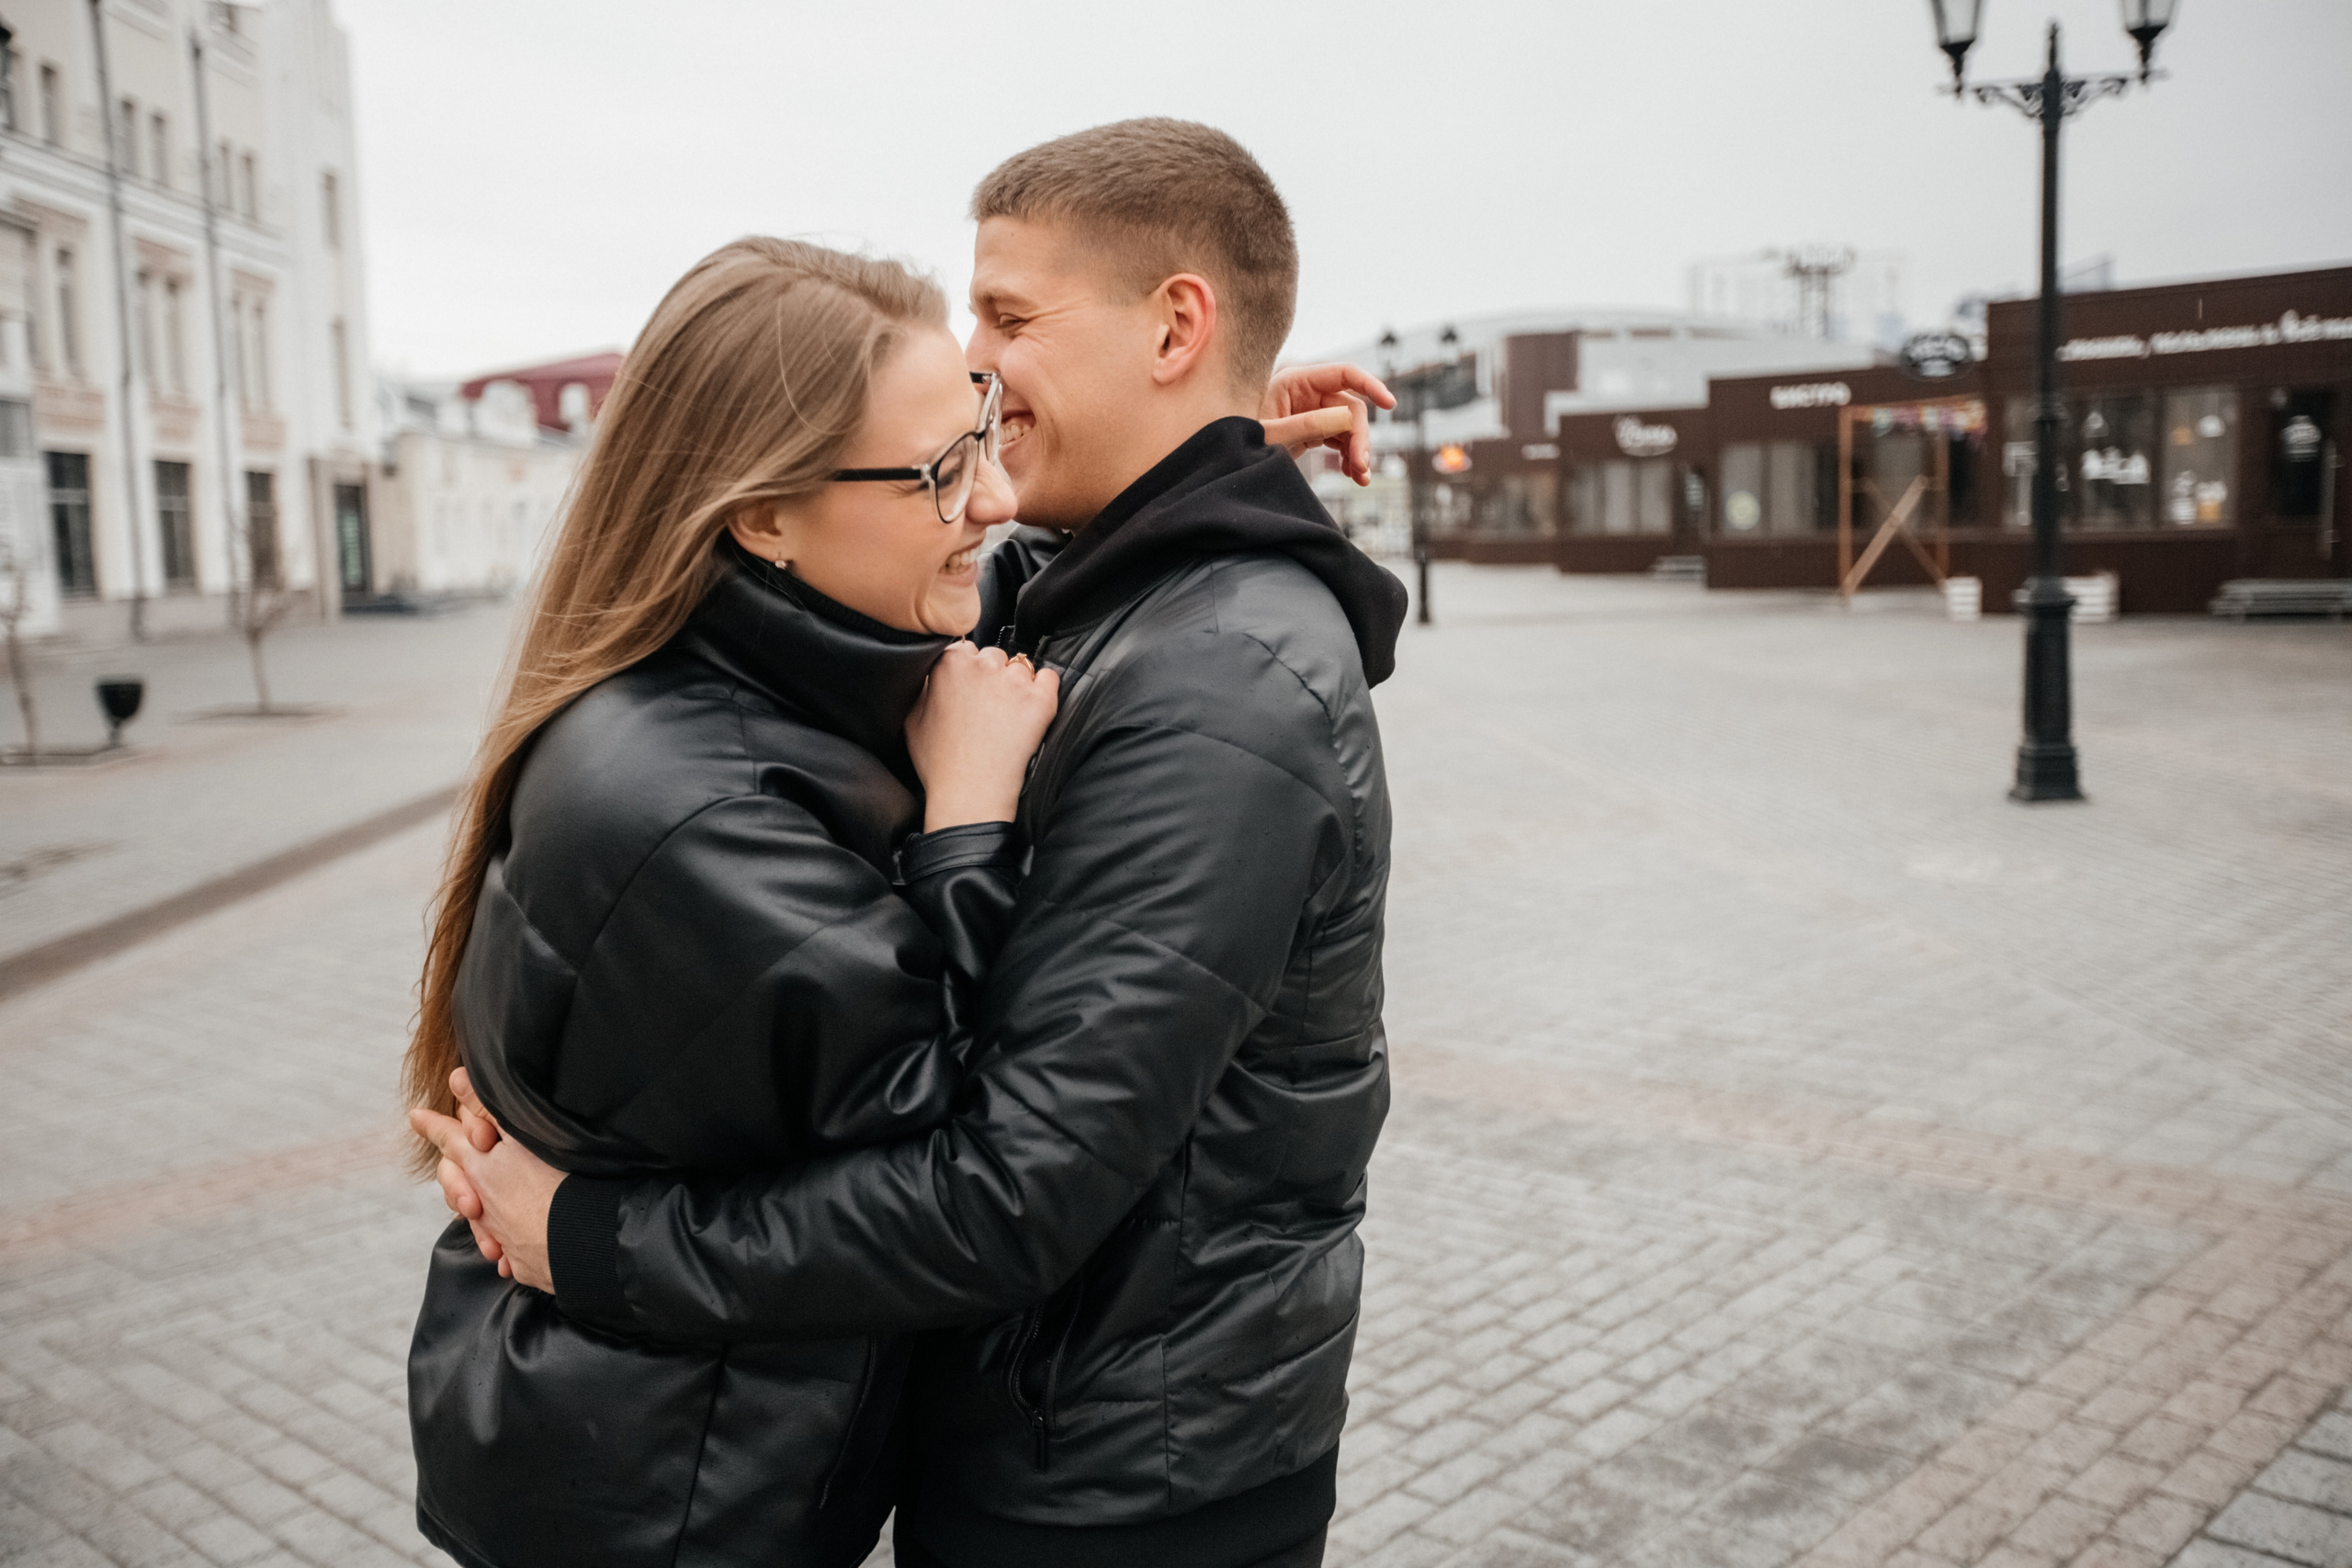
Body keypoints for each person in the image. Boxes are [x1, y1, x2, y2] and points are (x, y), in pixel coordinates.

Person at [420, 118, 1408, 1568]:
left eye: (1010, 319)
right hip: (1052, 1435)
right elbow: (958, 562)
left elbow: (1006, 1189)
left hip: (1127, 1488)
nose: (984, 372)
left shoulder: (1220, 688)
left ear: (1176, 326)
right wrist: (1213, 453)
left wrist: (587, 1243)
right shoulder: (1102, 595)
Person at [400, 237, 1061, 1568]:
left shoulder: (747, 675)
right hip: (671, 1507)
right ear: (762, 516)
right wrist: (971, 818)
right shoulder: (701, 821)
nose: (994, 497)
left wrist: (1205, 446)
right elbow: (974, 1162)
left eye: (984, 435)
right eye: (943, 469)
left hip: (629, 1444)